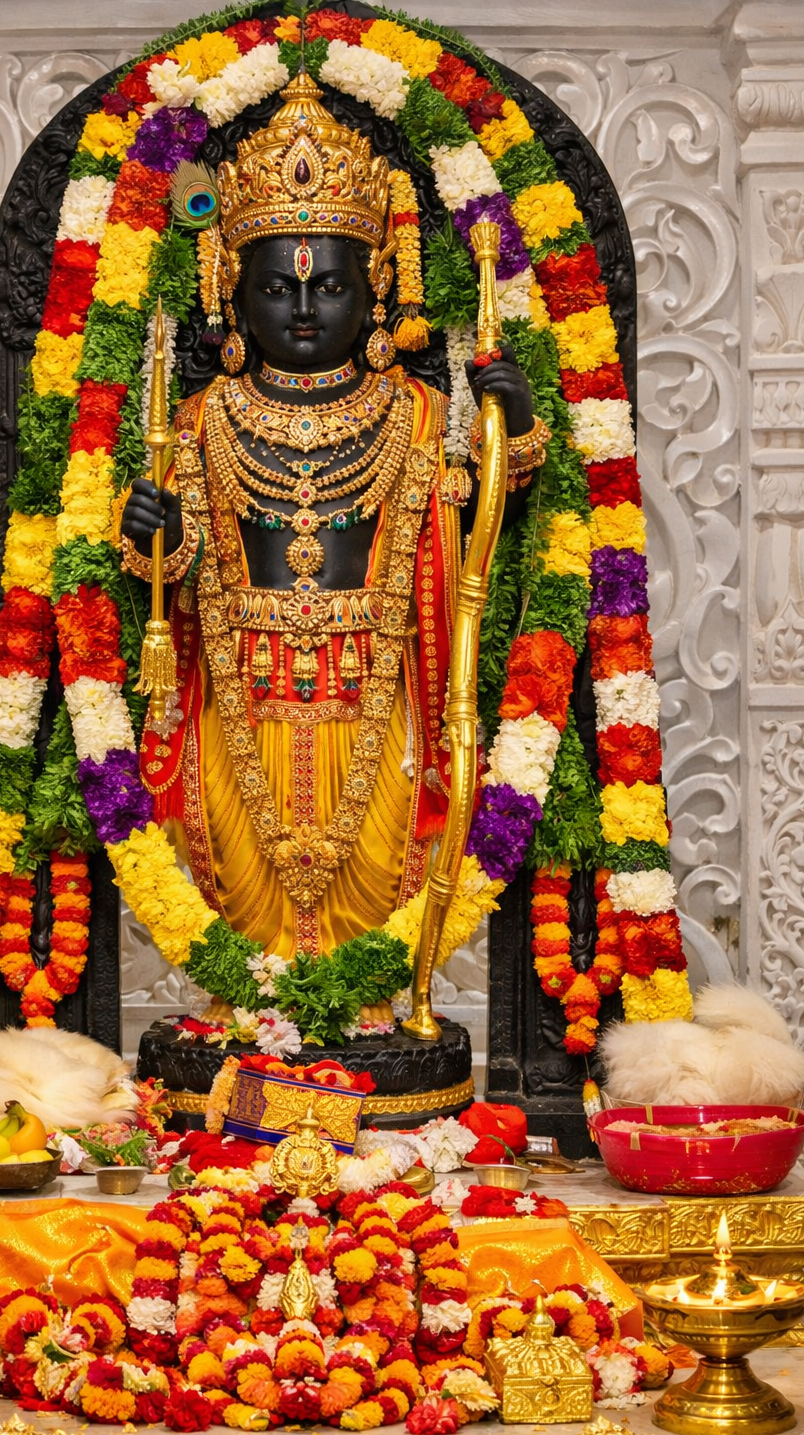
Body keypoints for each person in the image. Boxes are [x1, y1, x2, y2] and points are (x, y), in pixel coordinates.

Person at [120, 75, 538, 975]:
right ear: (234, 294)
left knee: (379, 875)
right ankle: (253, 1018)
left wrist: (514, 431)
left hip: (381, 698)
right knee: (241, 892)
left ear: (377, 289)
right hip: (237, 695)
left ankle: (368, 1016)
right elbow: (171, 567)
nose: (304, 310)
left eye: (330, 287)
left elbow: (483, 519)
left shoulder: (421, 415)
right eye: (277, 288)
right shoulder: (201, 419)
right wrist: (153, 528)